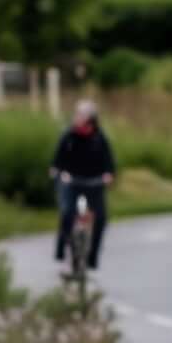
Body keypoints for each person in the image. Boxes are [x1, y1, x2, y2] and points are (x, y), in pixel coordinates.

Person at [51, 94, 117, 280]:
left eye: (81, 115)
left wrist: (108, 175)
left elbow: (109, 163)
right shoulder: (68, 136)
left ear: (90, 120)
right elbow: (56, 162)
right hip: (71, 182)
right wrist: (58, 173)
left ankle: (92, 258)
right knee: (67, 213)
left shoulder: (99, 138)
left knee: (101, 218)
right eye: (77, 114)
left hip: (94, 183)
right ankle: (61, 252)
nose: (77, 118)